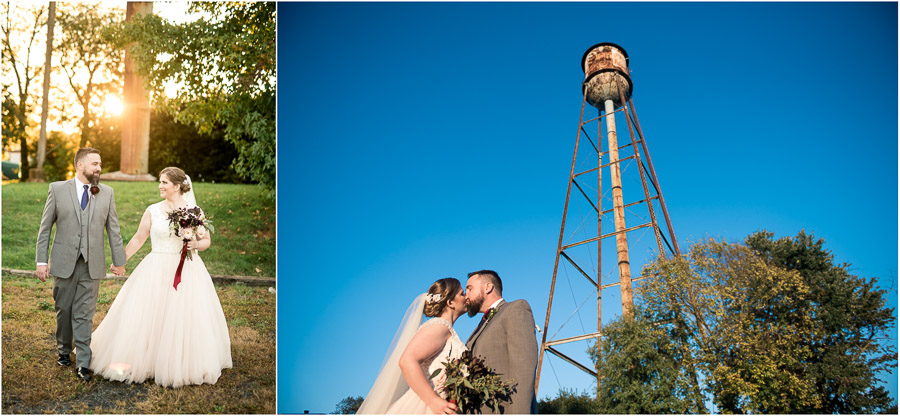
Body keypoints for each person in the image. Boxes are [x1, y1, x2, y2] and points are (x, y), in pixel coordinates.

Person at [89, 167, 232, 387]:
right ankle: (146, 359)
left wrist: (197, 244)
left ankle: (180, 362)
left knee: (183, 316)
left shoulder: (194, 211)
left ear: (176, 186)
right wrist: (121, 260)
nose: (160, 186)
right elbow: (139, 238)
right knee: (148, 314)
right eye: (160, 182)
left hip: (187, 270)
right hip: (155, 267)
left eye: (164, 182)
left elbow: (206, 241)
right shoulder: (153, 210)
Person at [35, 147, 127, 382]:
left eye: (100, 163)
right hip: (64, 262)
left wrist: (119, 261)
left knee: (84, 313)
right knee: (64, 310)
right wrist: (41, 261)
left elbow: (113, 230)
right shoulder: (57, 190)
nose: (99, 167)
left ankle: (83, 361)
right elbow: (45, 228)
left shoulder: (106, 193)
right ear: (80, 165)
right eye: (94, 163)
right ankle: (64, 350)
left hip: (92, 263)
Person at [358, 278, 468, 414]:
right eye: (462, 293)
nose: (466, 297)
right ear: (450, 302)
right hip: (426, 406)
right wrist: (432, 400)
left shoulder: (445, 329)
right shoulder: (439, 326)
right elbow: (407, 361)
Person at [465, 270, 538, 414]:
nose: (466, 295)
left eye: (470, 288)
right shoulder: (480, 326)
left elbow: (524, 368)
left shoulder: (515, 310)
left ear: (488, 287)